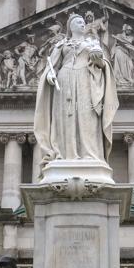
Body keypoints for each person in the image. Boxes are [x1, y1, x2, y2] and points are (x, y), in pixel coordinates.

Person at [34, 13, 118, 165]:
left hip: (86, 80)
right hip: (64, 80)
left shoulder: (92, 43)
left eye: (82, 22)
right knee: (65, 117)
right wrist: (49, 77)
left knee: (88, 116)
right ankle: (65, 153)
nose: (82, 24)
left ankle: (89, 154)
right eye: (78, 22)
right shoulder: (60, 45)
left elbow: (102, 63)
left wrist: (98, 59)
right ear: (71, 27)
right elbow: (51, 67)